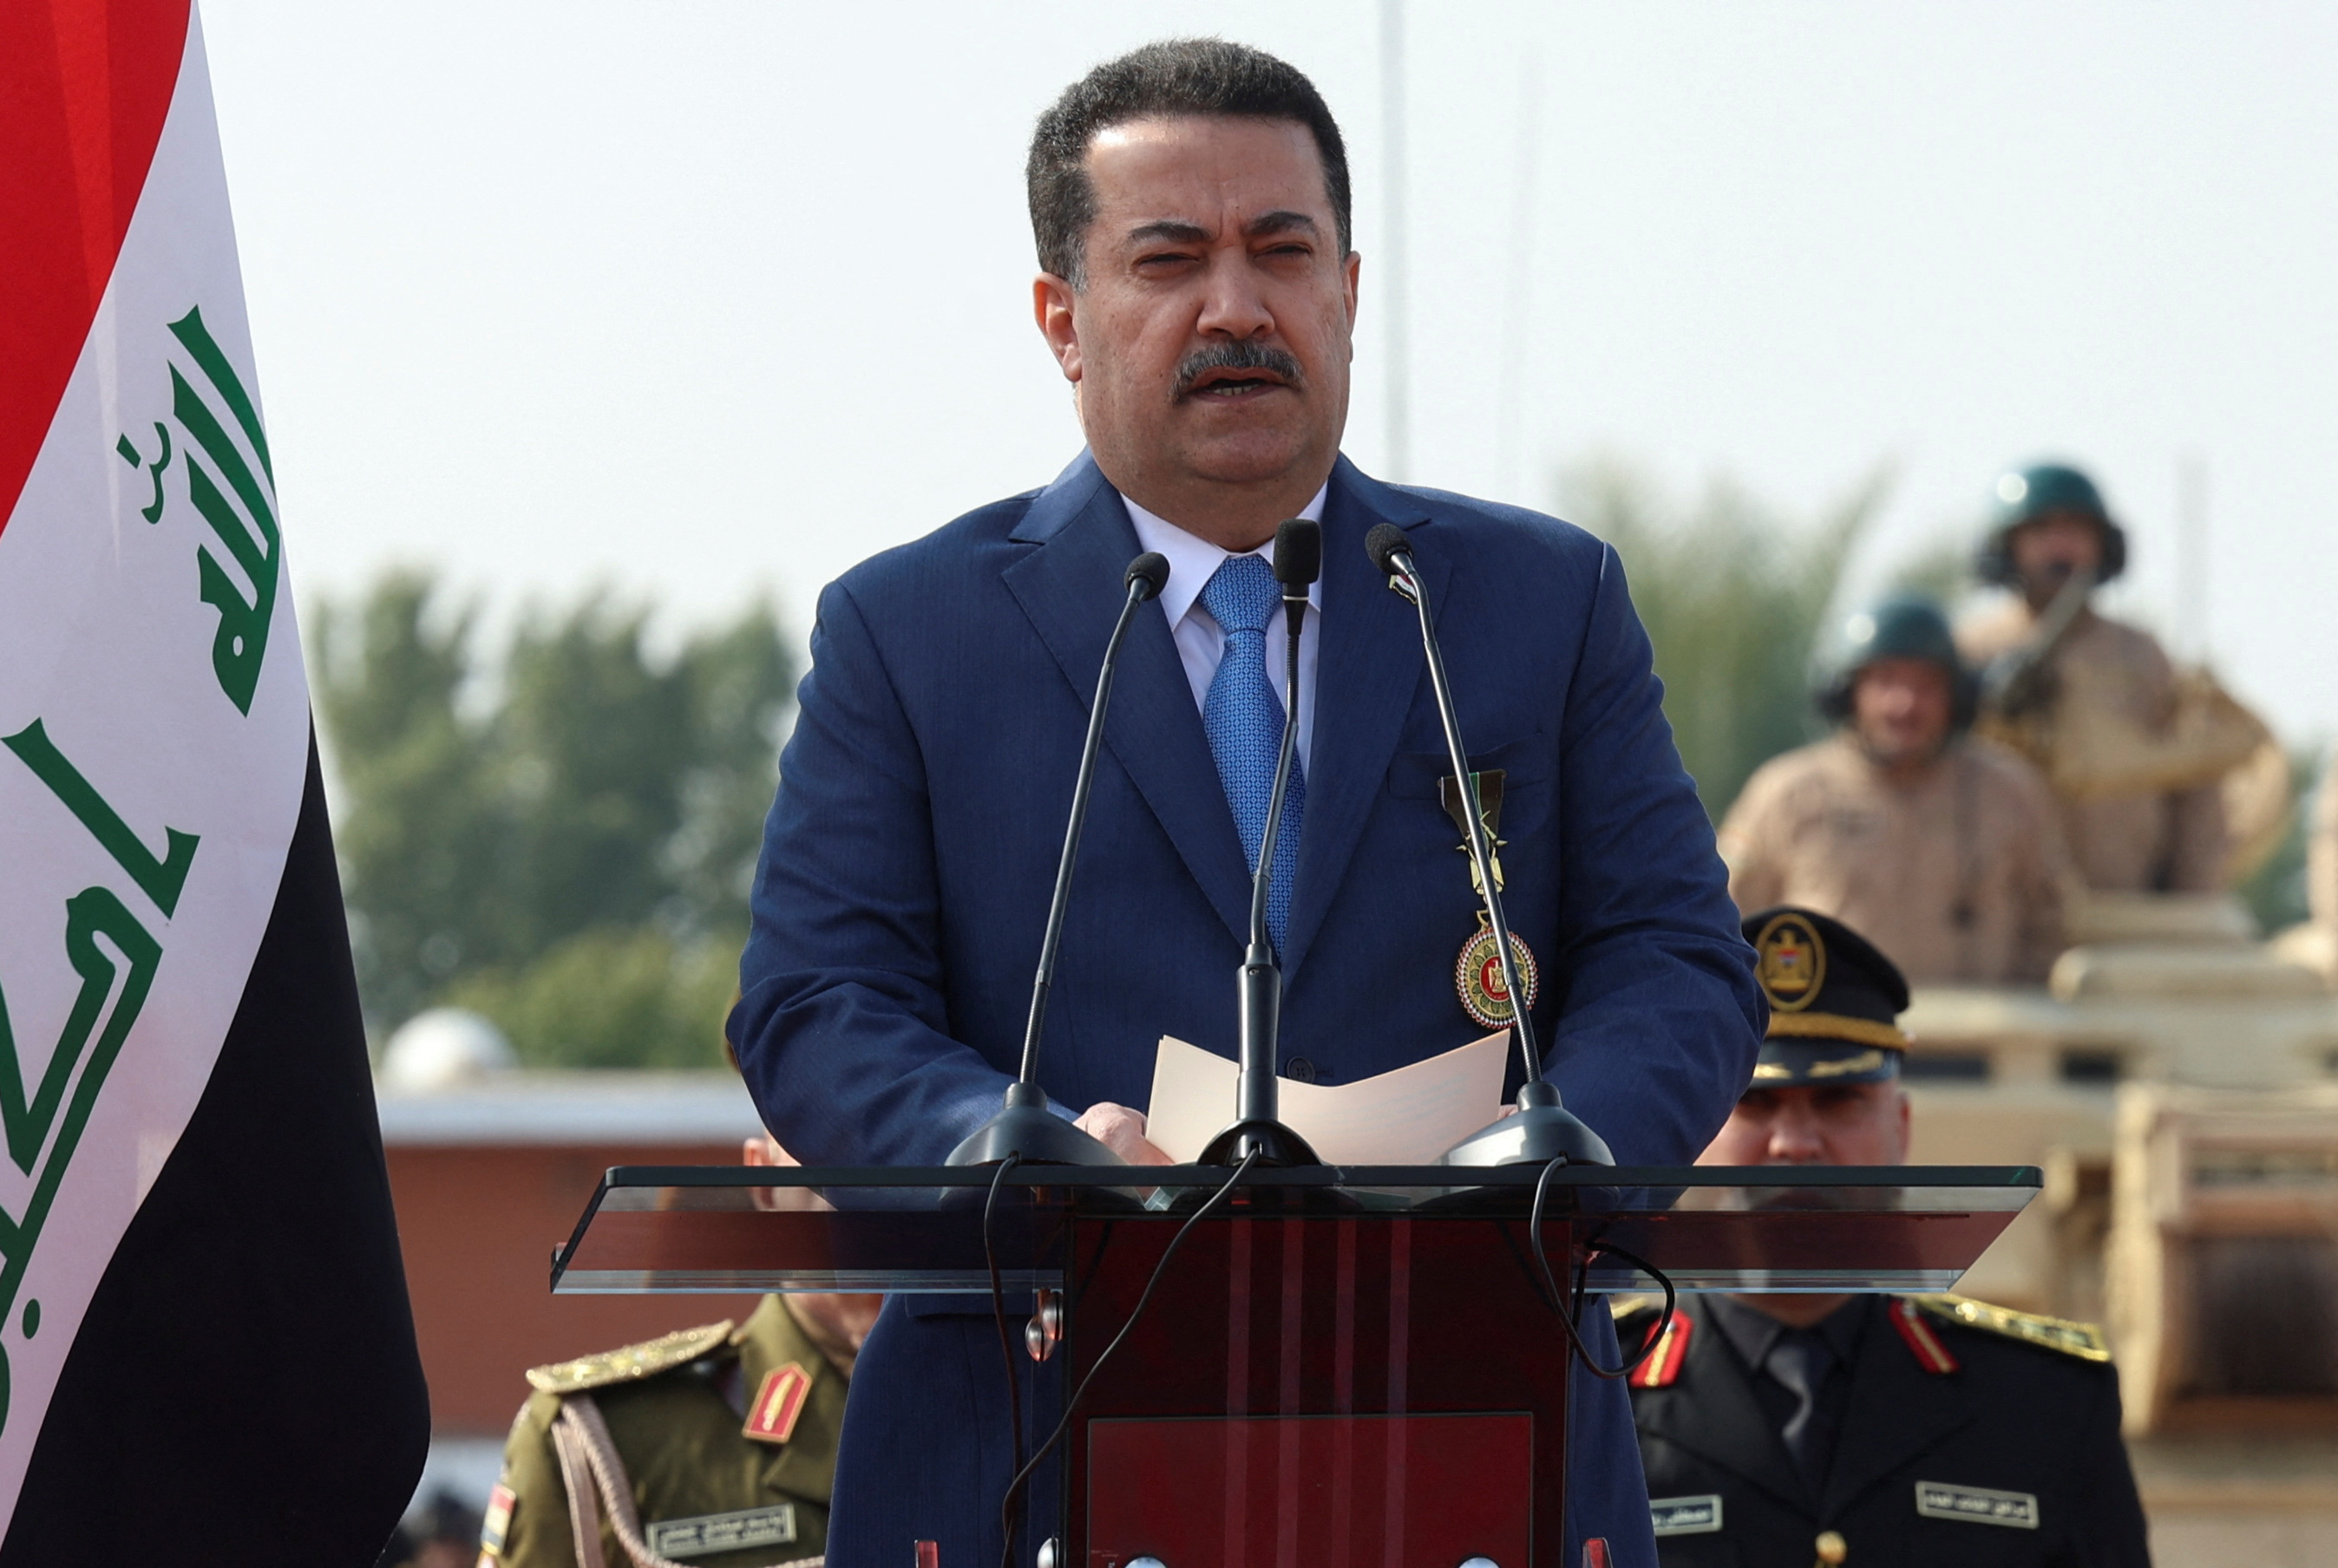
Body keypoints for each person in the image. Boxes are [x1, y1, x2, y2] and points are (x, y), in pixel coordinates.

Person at [729, 36, 1765, 1568]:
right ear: (1062, 321)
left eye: (1283, 252)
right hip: (1032, 1428)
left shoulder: (1530, 604)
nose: (1237, 307)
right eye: (1171, 259)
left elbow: (1678, 959)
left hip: (1470, 1416)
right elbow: (816, 1000)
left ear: (1346, 291)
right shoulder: (911, 630)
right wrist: (1016, 1142)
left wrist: (1553, 1151)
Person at [1621, 906, 2151, 1567]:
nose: (1794, 1144)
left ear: (1901, 1128)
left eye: (1839, 1100)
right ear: (1694, 1127)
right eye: (1754, 1101)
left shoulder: (2045, 1401)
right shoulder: (1595, 1394)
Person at [476, 1136, 879, 1568]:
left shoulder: (957, 1407)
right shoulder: (601, 1439)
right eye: (832, 1134)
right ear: (765, 1178)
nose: (882, 1167)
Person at [1719, 593, 2076, 984]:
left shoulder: (2010, 792)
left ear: (1955, 696)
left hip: (1982, 1035)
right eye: (1885, 681)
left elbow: (2052, 921)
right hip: (1831, 1038)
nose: (1905, 704)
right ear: (1847, 690)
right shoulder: (1785, 793)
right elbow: (1728, 919)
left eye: (1926, 685)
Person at [1957, 461, 2250, 893]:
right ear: (2009, 545)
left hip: (2122, 902)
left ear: (2102, 545)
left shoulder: (2141, 655)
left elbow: (2191, 781)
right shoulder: (1969, 650)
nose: (2059, 547)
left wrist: (2192, 891)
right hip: (2000, 903)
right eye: (2041, 532)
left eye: (2075, 531)